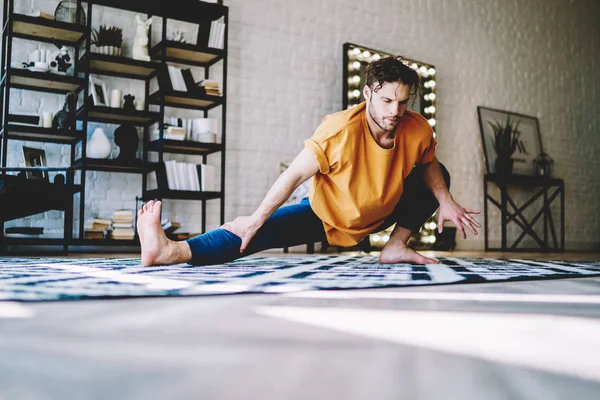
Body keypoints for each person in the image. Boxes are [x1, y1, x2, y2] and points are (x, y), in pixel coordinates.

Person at [137, 56, 481, 266]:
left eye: (403, 102)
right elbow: (293, 177)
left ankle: (395, 246)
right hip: (328, 213)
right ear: (368, 93)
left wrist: (445, 199)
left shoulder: (416, 127)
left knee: (440, 175)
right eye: (388, 100)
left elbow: (429, 162)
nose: (395, 111)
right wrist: (256, 218)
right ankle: (169, 251)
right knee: (252, 234)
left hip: (381, 212)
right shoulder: (338, 130)